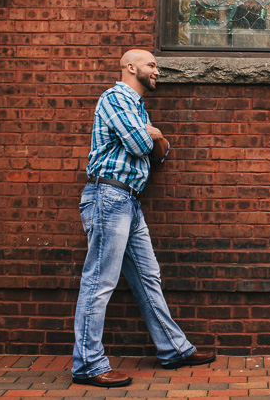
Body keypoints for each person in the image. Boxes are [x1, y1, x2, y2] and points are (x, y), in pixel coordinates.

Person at [71, 49, 216, 388]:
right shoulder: (115, 98)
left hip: (129, 201)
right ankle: (88, 364)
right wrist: (150, 134)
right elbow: (140, 146)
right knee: (99, 282)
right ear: (131, 67)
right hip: (108, 197)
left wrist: (156, 134)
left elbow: (161, 154)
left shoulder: (137, 109)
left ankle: (174, 349)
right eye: (152, 65)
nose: (157, 71)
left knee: (148, 276)